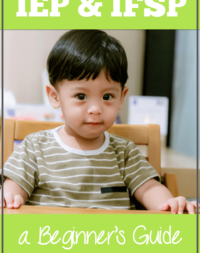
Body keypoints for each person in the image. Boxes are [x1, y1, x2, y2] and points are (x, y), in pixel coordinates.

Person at [0, 30, 198, 213]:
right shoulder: (35, 147)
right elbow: (15, 185)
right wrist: (9, 197)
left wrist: (168, 204)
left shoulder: (124, 152)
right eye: (80, 96)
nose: (95, 109)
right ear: (54, 96)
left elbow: (149, 188)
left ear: (122, 97)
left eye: (107, 97)